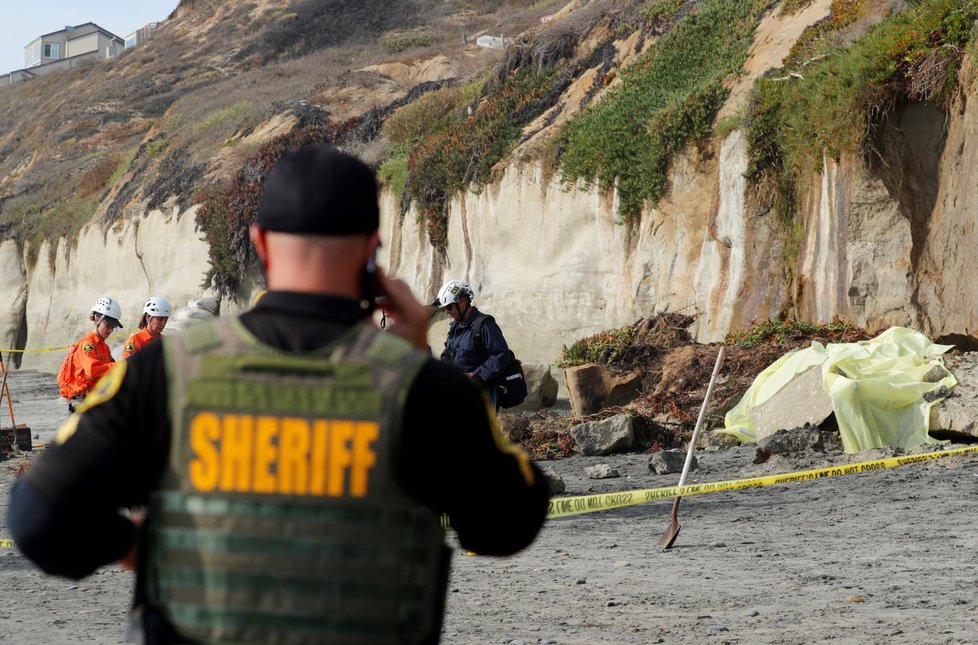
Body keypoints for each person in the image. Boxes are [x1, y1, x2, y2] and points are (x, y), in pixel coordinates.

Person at [8, 145, 550, 644]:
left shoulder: (165, 372)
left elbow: (40, 515)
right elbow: (510, 521)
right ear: (371, 252)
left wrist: (139, 546)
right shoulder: (428, 392)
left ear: (261, 243)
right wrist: (412, 358)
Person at [434, 278, 516, 409]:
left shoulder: (484, 325)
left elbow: (501, 355)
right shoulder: (455, 327)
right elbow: (448, 355)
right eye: (445, 308)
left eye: (449, 307)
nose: (447, 311)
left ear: (463, 300)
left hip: (482, 395)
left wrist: (476, 375)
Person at [56, 296, 123, 413]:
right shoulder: (87, 345)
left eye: (113, 327)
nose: (110, 330)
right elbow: (92, 371)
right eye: (108, 325)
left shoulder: (104, 347)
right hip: (82, 402)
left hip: (97, 399)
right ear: (97, 318)